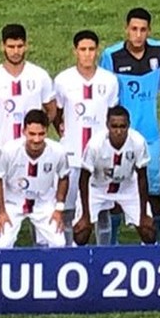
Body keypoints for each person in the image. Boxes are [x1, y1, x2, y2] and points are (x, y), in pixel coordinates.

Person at [100, 7, 160, 240]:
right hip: (122, 134)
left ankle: (155, 241)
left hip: (151, 136)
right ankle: (113, 241)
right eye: (134, 29)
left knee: (154, 190)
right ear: (126, 29)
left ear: (149, 31)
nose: (138, 35)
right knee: (116, 188)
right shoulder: (112, 56)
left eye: (143, 30)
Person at [51, 29, 119, 241]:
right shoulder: (63, 80)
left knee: (102, 208)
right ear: (75, 51)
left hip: (100, 156)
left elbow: (112, 114)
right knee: (69, 207)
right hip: (71, 153)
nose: (87, 54)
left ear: (97, 51)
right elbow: (57, 112)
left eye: (91, 49)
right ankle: (71, 251)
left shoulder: (109, 80)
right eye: (83, 49)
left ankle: (103, 252)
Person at [0, 109, 69, 248]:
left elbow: (64, 177)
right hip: (13, 201)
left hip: (43, 202)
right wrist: (1, 211)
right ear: (24, 131)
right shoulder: (9, 150)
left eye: (41, 134)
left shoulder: (58, 151)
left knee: (59, 243)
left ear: (47, 132)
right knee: (2, 245)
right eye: (32, 134)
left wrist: (59, 208)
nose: (36, 139)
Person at [75, 106, 156, 245]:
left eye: (122, 126)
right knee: (81, 234)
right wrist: (85, 215)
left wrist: (143, 214)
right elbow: (83, 179)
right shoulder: (95, 145)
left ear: (128, 125)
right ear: (107, 125)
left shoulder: (138, 142)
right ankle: (78, 261)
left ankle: (148, 261)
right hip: (97, 188)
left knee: (148, 232)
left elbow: (142, 177)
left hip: (127, 187)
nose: (118, 131)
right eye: (114, 126)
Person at [0, 23, 56, 147]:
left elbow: (51, 110)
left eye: (19, 46)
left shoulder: (40, 76)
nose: (16, 51)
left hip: (32, 150)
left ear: (26, 46)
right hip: (2, 150)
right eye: (11, 47)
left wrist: (38, 130)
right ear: (2, 46)